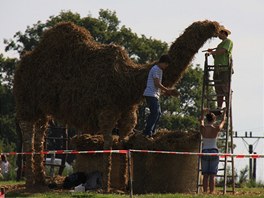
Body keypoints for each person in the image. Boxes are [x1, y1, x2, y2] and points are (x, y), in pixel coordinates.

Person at [143, 54, 177, 139]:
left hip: (155, 94)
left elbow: (157, 85)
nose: (166, 66)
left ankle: (152, 131)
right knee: (155, 113)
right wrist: (167, 90)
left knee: (158, 114)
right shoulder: (155, 69)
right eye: (166, 64)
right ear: (162, 62)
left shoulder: (160, 70)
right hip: (150, 94)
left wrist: (163, 92)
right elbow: (156, 83)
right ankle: (147, 133)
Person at [200, 107, 227, 194]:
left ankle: (204, 192)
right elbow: (223, 121)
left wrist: (203, 112)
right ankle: (211, 192)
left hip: (204, 151)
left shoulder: (202, 128)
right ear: (214, 120)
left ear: (206, 119)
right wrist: (224, 112)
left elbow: (201, 120)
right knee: (212, 175)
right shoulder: (216, 129)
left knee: (205, 175)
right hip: (214, 151)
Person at [206, 26, 233, 109]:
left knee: (225, 89)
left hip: (224, 69)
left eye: (219, 33)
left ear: (223, 33)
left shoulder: (228, 42)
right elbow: (217, 56)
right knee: (218, 90)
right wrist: (212, 53)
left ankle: (228, 107)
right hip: (217, 69)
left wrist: (213, 52)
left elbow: (223, 51)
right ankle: (219, 107)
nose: (218, 35)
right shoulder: (219, 45)